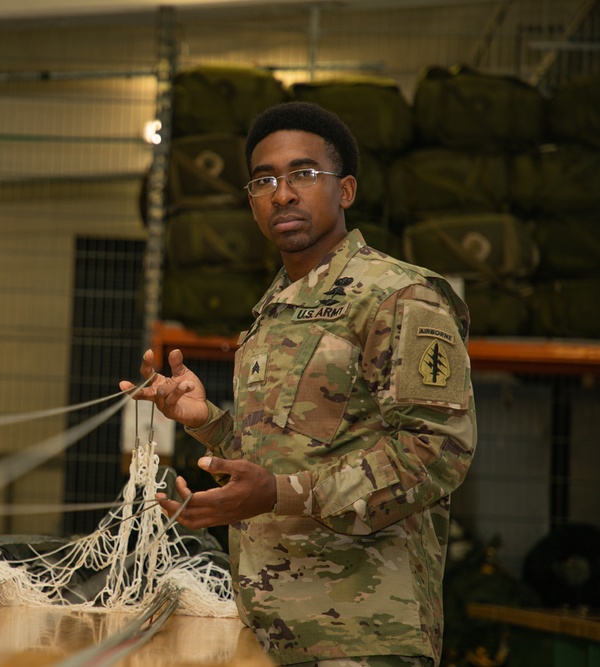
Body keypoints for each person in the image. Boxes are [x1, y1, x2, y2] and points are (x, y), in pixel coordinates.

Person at [120, 101, 476, 667]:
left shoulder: (400, 297)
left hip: (362, 636)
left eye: (303, 174)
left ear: (346, 191)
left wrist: (281, 494)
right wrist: (208, 422)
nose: (282, 193)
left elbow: (436, 453)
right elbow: (280, 461)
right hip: (268, 631)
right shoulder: (273, 313)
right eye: (264, 180)